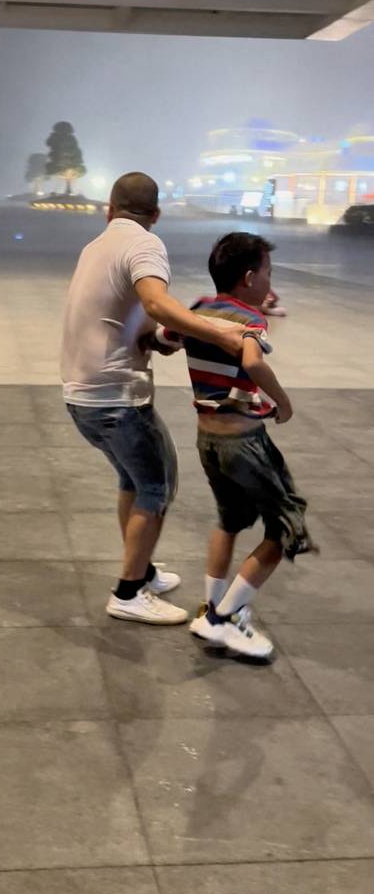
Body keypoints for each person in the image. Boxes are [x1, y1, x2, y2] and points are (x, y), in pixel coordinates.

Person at [61, 172, 246, 626]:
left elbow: (136, 320)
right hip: (115, 399)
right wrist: (220, 331)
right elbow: (157, 302)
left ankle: (140, 570)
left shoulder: (96, 247)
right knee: (157, 485)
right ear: (156, 215)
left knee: (134, 481)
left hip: (82, 395)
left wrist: (163, 337)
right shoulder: (144, 244)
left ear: (109, 209)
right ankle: (128, 592)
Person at [148, 231, 316, 658]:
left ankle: (213, 606)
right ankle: (221, 620)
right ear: (247, 278)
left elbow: (162, 341)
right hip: (245, 442)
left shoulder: (200, 309)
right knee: (284, 529)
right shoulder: (248, 318)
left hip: (209, 440)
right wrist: (284, 401)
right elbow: (253, 361)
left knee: (230, 520)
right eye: (267, 274)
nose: (270, 285)